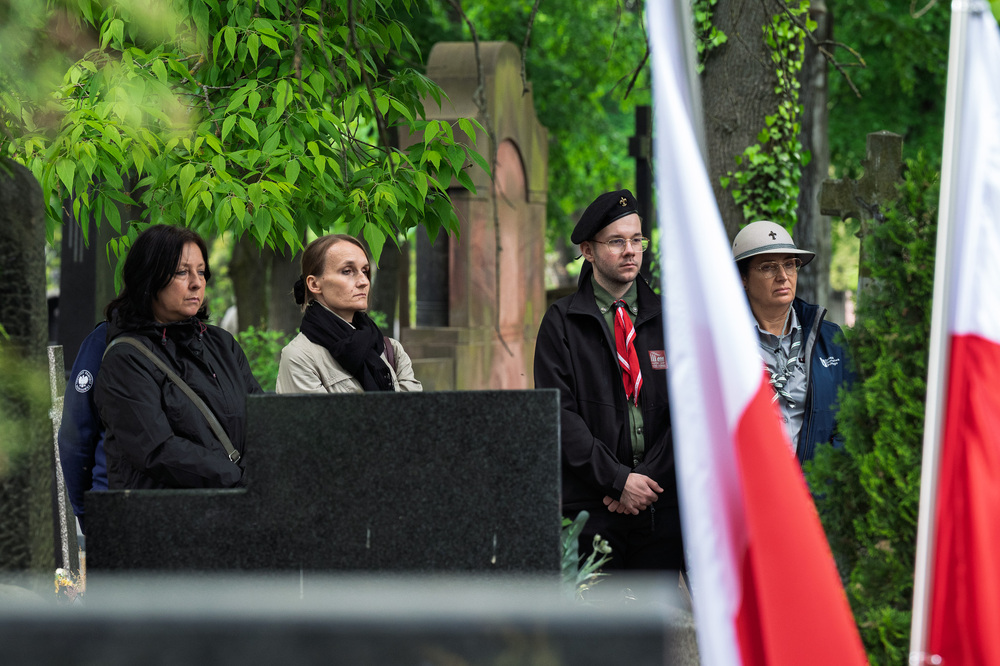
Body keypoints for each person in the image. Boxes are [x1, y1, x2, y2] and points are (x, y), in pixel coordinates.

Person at [533, 189, 683, 572]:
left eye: (637, 240)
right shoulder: (562, 322)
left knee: (659, 629)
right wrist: (618, 481)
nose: (631, 250)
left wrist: (642, 482)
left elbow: (689, 411)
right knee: (597, 629)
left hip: (660, 506)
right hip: (591, 510)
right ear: (588, 250)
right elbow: (559, 416)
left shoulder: (670, 318)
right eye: (617, 241)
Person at [95, 225, 263, 489]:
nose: (196, 282)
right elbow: (157, 450)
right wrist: (239, 478)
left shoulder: (222, 344)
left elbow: (261, 417)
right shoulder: (126, 358)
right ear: (149, 278)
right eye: (182, 272)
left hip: (234, 507)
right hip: (167, 516)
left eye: (201, 271)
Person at [732, 220, 852, 463]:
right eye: (768, 267)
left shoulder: (829, 338)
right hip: (749, 493)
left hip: (815, 494)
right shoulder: (724, 343)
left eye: (790, 264)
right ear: (743, 278)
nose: (783, 276)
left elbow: (850, 417)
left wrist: (826, 481)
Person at [276, 234, 421, 394]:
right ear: (314, 284)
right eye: (347, 271)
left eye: (365, 271)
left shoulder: (391, 350)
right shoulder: (300, 358)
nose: (364, 281)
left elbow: (415, 413)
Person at [58, 321, 108, 534]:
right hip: (115, 506)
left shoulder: (209, 340)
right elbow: (75, 437)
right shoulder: (102, 341)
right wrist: (85, 512)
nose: (197, 285)